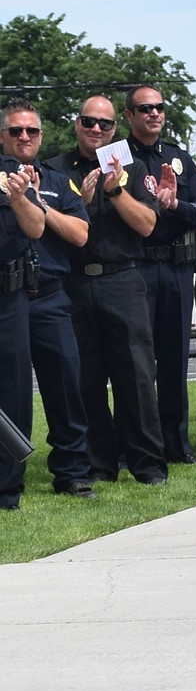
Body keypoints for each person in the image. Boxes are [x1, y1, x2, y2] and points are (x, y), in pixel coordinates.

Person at [46, 97, 168, 487]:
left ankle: (148, 465)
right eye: (89, 121)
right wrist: (77, 204)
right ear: (76, 124)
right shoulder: (54, 170)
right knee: (86, 380)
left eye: (105, 124)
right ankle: (100, 465)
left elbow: (148, 225)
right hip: (76, 283)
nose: (96, 129)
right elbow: (50, 232)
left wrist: (115, 192)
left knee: (136, 377)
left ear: (116, 128)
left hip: (123, 280)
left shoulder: (128, 166)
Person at [0, 102, 94, 498]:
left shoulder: (57, 180)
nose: (24, 137)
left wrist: (37, 201)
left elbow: (79, 233)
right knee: (12, 393)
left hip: (51, 298)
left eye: (32, 131)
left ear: (41, 135)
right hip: (10, 296)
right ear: (3, 135)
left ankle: (72, 473)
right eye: (16, 131)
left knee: (66, 388)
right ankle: (8, 484)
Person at [124, 83, 196, 465]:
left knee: (175, 360)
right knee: (135, 364)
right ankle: (134, 447)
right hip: (136, 269)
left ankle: (177, 446)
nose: (154, 114)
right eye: (145, 109)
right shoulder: (115, 156)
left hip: (176, 269)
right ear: (129, 115)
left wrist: (175, 203)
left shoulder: (178, 158)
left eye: (159, 107)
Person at [0, 132, 47, 511]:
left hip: (7, 296)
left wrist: (18, 198)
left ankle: (7, 489)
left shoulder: (12, 174)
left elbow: (36, 228)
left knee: (13, 391)